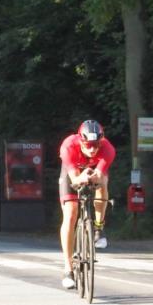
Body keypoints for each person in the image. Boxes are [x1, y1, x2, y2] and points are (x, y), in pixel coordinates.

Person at [58, 120, 115, 289]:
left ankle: (98, 227)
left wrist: (95, 177)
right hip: (73, 172)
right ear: (81, 141)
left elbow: (100, 174)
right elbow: (74, 180)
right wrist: (80, 178)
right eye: (88, 145)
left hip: (94, 170)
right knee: (71, 213)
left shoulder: (108, 149)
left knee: (103, 184)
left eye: (96, 145)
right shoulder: (68, 146)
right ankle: (68, 268)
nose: (92, 149)